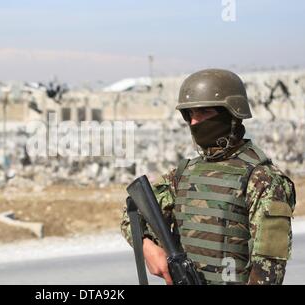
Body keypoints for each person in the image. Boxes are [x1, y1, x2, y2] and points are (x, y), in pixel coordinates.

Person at [120, 69, 296, 285]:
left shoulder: (263, 180)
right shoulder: (183, 174)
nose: (194, 123)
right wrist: (148, 247)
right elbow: (132, 214)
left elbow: (268, 272)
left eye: (203, 112)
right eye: (190, 115)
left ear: (231, 114)